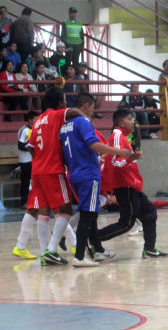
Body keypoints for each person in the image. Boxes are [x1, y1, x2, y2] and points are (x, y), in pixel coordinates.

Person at [59, 93, 135, 266]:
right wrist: (118, 152)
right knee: (87, 215)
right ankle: (79, 256)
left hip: (75, 174)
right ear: (86, 106)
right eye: (92, 108)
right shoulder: (84, 122)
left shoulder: (65, 126)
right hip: (88, 174)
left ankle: (97, 250)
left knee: (90, 214)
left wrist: (94, 158)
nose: (93, 112)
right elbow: (93, 144)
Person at [24, 88, 86, 265]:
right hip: (52, 170)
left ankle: (45, 253)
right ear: (60, 102)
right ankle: (51, 250)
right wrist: (86, 120)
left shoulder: (38, 121)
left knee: (43, 213)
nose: (66, 103)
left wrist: (42, 158)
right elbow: (73, 111)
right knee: (65, 210)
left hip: (37, 171)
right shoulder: (56, 115)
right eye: (65, 99)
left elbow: (31, 148)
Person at [96, 108, 168, 258]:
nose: (133, 121)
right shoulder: (117, 136)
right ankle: (92, 239)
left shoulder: (122, 137)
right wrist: (130, 158)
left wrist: (131, 158)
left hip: (132, 186)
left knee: (149, 213)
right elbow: (115, 162)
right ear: (121, 122)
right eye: (130, 119)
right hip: (125, 187)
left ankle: (149, 248)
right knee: (127, 223)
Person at [17, 111, 39, 208]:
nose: (37, 121)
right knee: (25, 181)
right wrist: (31, 149)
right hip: (25, 160)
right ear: (30, 120)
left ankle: (35, 201)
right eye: (35, 119)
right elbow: (20, 145)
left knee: (35, 180)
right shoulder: (24, 130)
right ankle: (23, 201)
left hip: (33, 160)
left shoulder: (36, 129)